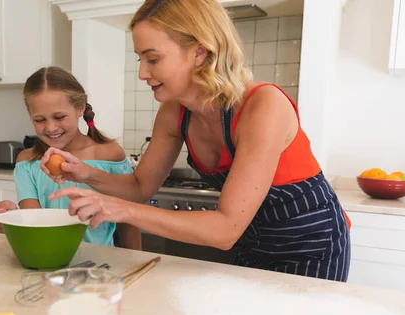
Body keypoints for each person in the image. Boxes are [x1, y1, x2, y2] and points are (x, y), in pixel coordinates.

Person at [40, 0, 351, 282]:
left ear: (200, 52)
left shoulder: (264, 106)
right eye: (140, 59)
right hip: (250, 242)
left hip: (310, 246)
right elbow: (139, 187)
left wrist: (121, 210)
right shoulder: (174, 113)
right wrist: (84, 173)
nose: (142, 73)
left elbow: (227, 228)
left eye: (153, 59)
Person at [0, 66, 142, 250]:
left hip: (101, 265)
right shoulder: (26, 162)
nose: (51, 128)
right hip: (49, 260)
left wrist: (136, 260)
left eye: (59, 117)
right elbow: (35, 222)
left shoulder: (108, 154)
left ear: (80, 108)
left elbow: (129, 219)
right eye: (40, 120)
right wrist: (12, 218)